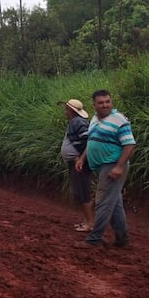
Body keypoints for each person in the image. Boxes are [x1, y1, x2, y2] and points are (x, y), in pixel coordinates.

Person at [74, 90, 137, 248]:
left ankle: (94, 240)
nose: (105, 105)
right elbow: (92, 140)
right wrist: (82, 158)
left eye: (107, 101)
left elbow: (129, 145)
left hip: (112, 166)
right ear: (94, 105)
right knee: (115, 205)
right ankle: (123, 240)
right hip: (103, 167)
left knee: (102, 203)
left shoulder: (119, 120)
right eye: (101, 103)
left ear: (111, 102)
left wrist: (119, 167)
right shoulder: (95, 119)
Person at [59, 99, 94, 232]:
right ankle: (86, 221)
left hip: (80, 163)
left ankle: (90, 223)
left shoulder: (77, 122)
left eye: (66, 109)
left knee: (84, 191)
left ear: (72, 111)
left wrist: (80, 159)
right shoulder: (76, 122)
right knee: (81, 191)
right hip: (78, 162)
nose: (65, 112)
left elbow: (87, 141)